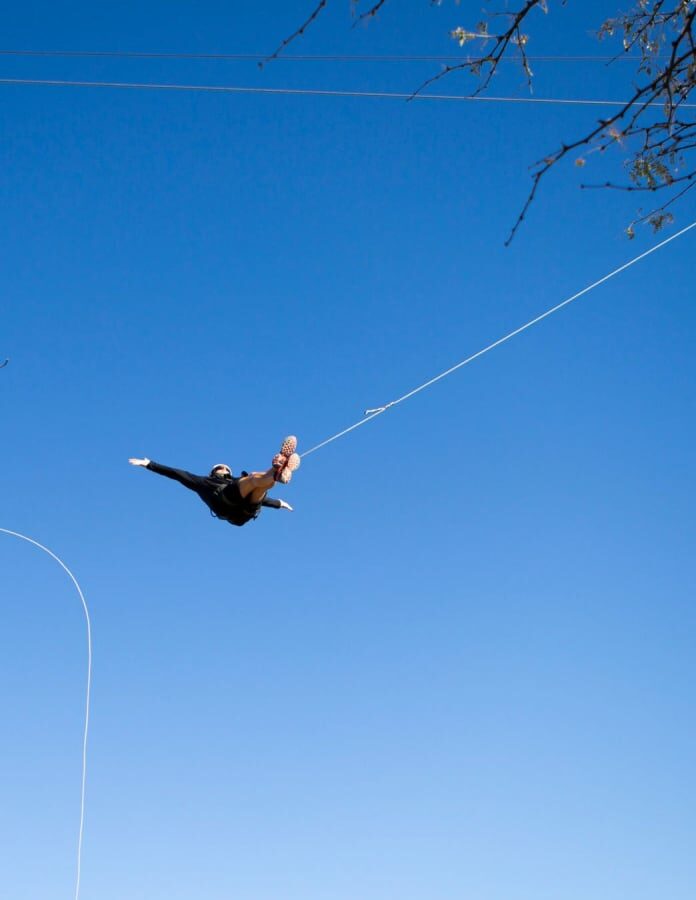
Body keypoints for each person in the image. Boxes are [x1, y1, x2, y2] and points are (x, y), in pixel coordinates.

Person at [129, 436, 300, 527]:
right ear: (213, 472)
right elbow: (177, 474)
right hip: (224, 501)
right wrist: (150, 464)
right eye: (221, 468)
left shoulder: (234, 480)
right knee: (253, 478)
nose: (225, 470)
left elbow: (264, 500)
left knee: (261, 489)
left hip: (244, 512)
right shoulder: (204, 483)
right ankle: (277, 466)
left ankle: (278, 473)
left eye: (227, 469)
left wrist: (280, 503)